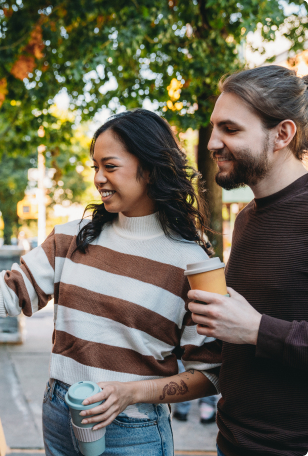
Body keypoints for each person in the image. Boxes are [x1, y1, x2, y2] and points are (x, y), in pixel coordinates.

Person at [0, 109, 222, 455]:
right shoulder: (69, 238)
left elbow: (210, 374)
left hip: (133, 430)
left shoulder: (193, 262)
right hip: (61, 414)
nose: (98, 178)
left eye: (109, 166)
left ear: (151, 170)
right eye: (95, 167)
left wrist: (131, 393)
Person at [187, 66, 308, 456]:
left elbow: (253, 328)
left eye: (230, 129)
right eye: (213, 128)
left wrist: (257, 329)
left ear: (283, 134)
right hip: (232, 442)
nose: (212, 143)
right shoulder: (246, 219)